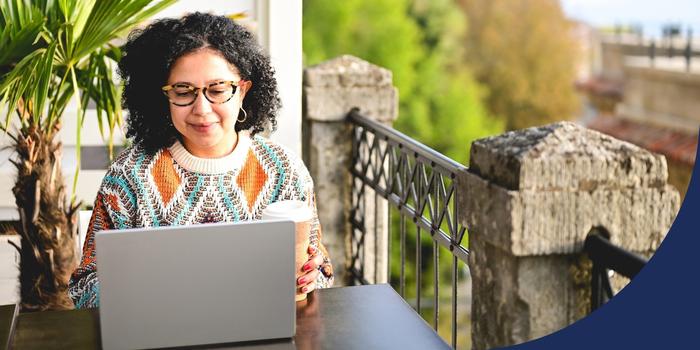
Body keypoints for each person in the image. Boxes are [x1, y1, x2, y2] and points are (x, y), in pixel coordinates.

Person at [68, 12, 334, 309]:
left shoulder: (284, 170)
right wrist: (139, 297)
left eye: (218, 90)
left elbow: (322, 271)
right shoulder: (128, 177)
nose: (202, 109)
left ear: (243, 91)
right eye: (183, 92)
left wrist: (312, 276)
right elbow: (86, 285)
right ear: (162, 97)